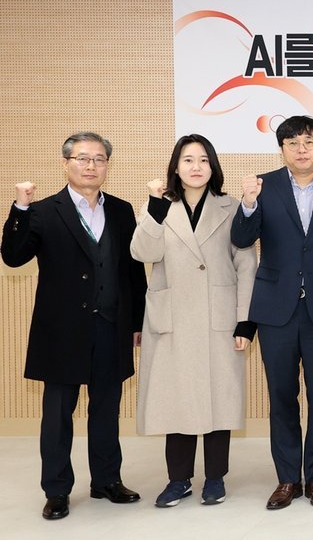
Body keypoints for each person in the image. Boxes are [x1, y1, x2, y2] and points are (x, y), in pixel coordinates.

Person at [2, 132, 147, 520]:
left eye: (99, 159)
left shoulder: (121, 210)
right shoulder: (42, 211)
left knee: (106, 409)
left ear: (107, 166)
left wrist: (137, 322)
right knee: (57, 414)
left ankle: (106, 481)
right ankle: (56, 490)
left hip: (111, 325)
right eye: (82, 158)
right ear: (65, 163)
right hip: (62, 330)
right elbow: (13, 257)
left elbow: (133, 272)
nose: (91, 166)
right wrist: (20, 208)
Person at [231, 116, 313, 510]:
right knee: (281, 396)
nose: (301, 149)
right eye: (292, 143)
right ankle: (287, 478)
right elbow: (241, 239)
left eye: (308, 141)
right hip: (276, 310)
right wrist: (248, 204)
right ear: (282, 149)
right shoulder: (262, 186)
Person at [131, 134, 257, 507]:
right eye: (188, 160)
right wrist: (155, 210)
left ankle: (215, 478)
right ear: (176, 166)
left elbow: (246, 264)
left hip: (219, 314)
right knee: (177, 400)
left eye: (203, 160)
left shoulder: (230, 206)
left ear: (213, 166)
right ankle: (178, 480)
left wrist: (245, 321)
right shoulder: (158, 205)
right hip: (173, 317)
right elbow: (142, 252)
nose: (196, 167)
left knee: (219, 398)